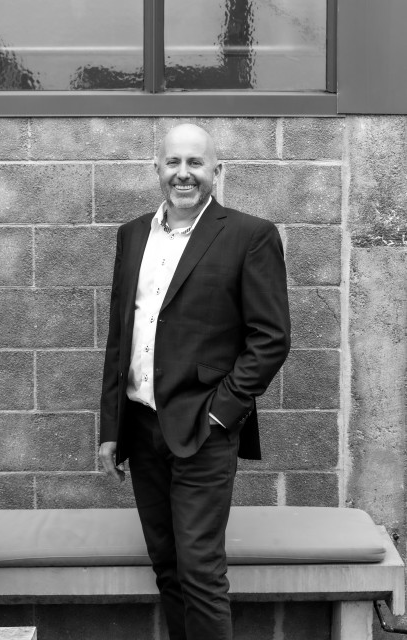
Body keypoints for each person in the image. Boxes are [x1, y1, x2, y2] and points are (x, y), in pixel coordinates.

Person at [99, 123, 290, 640]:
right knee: (167, 566)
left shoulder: (250, 236)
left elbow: (271, 338)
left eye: (196, 163)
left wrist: (221, 413)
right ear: (157, 168)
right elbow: (121, 336)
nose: (183, 174)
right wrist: (111, 428)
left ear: (216, 171)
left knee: (200, 571)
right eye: (173, 162)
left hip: (204, 431)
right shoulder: (132, 234)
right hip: (141, 428)